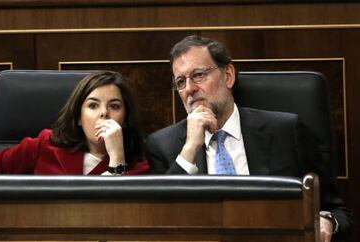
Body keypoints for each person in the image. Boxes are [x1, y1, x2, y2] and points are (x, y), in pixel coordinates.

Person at [146, 35, 353, 242]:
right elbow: (158, 223)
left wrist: (327, 221)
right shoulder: (163, 146)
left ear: (228, 75)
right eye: (181, 82)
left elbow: (337, 212)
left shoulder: (285, 132)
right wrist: (190, 149)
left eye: (198, 75)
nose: (189, 88)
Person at [0, 70, 149, 175]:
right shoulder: (45, 144)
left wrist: (117, 158)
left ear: (125, 119)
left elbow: (120, 213)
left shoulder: (137, 166)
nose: (104, 113)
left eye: (115, 106)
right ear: (79, 117)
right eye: (93, 105)